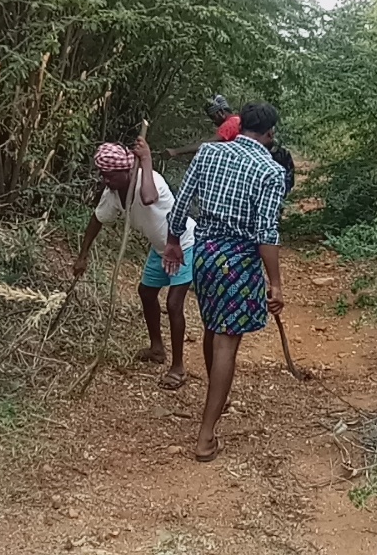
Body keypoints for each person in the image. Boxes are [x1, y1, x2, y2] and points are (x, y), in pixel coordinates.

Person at [165, 102, 286, 463]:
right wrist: (275, 282)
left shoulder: (208, 154)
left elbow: (182, 202)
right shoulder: (270, 170)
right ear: (269, 134)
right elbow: (266, 233)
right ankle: (205, 437)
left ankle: (216, 397)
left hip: (204, 253)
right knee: (226, 343)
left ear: (239, 124)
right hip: (238, 261)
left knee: (213, 327)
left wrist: (173, 242)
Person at [72, 137, 196, 390]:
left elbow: (148, 198)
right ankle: (157, 348)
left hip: (183, 243)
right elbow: (97, 220)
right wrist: (83, 254)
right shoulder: (113, 194)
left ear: (128, 169)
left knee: (174, 304)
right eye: (103, 175)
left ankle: (178, 367)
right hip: (160, 248)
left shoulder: (150, 179)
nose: (107, 180)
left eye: (111, 175)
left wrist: (147, 158)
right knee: (146, 292)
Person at [165, 95, 242, 158]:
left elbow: (207, 145)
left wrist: (175, 151)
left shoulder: (229, 125)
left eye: (213, 117)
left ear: (220, 112)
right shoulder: (238, 120)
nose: (213, 121)